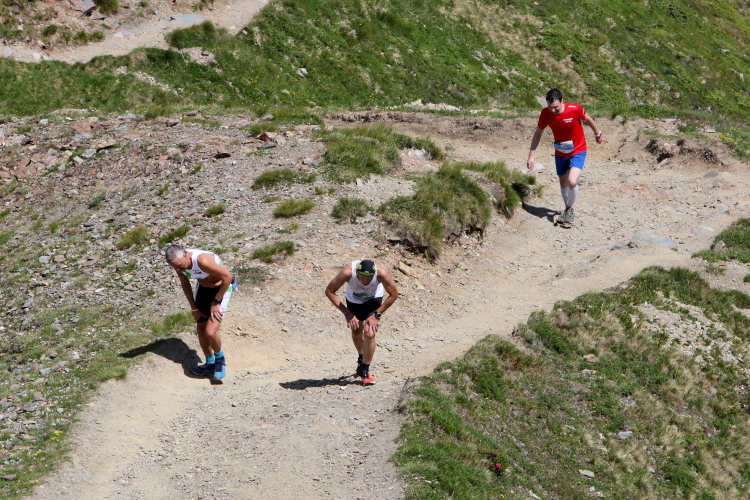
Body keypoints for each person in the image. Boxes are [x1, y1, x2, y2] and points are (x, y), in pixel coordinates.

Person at [527, 88, 603, 225]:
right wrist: (531, 155)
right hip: (561, 152)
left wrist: (598, 133)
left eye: (555, 107)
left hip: (578, 150)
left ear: (562, 101)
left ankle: (570, 209)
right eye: (550, 107)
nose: (553, 110)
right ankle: (567, 207)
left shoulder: (575, 109)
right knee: (563, 182)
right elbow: (538, 133)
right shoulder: (545, 113)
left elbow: (588, 119)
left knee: (572, 181)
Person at [165, 244, 236, 380]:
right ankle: (210, 364)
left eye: (179, 266)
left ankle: (220, 361)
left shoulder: (202, 260)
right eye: (175, 267)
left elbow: (227, 277)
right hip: (203, 289)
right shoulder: (178, 263)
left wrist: (216, 302)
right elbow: (185, 283)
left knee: (210, 332)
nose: (178, 270)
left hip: (221, 289)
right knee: (201, 328)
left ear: (185, 255)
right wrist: (194, 308)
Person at [325, 259, 399, 386]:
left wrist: (376, 314)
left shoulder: (381, 273)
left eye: (369, 279)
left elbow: (394, 294)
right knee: (356, 330)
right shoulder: (348, 272)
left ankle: (365, 369)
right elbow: (329, 291)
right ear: (357, 273)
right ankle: (361, 356)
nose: (366, 282)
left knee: (370, 333)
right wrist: (347, 313)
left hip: (373, 299)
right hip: (354, 301)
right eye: (362, 278)